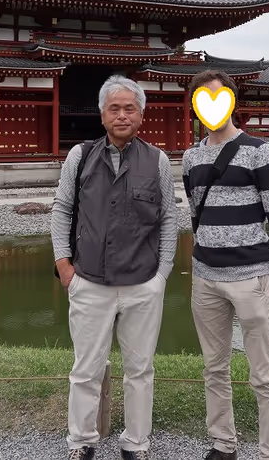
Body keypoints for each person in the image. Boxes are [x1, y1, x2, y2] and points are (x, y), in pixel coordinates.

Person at [51, 75, 178, 460]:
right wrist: (64, 267)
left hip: (143, 283)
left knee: (140, 370)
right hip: (89, 280)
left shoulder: (157, 160)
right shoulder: (81, 156)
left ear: (141, 115)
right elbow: (62, 209)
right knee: (86, 367)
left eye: (130, 108)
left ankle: (135, 443)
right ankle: (81, 441)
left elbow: (169, 219)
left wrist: (162, 276)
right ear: (102, 114)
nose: (122, 114)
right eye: (114, 108)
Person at [182, 69, 269, 460]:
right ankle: (223, 443)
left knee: (264, 372)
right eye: (202, 99)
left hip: (252, 275)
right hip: (205, 277)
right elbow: (196, 213)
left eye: (217, 97)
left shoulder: (259, 151)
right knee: (214, 367)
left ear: (232, 101)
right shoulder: (191, 157)